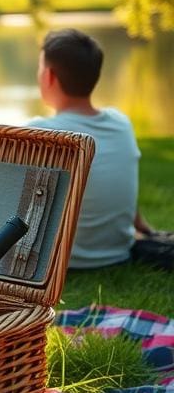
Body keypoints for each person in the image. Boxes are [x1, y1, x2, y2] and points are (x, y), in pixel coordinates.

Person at [30, 28, 172, 270]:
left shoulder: (39, 133)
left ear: (49, 77)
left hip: (61, 263)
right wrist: (143, 227)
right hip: (118, 252)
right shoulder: (121, 123)